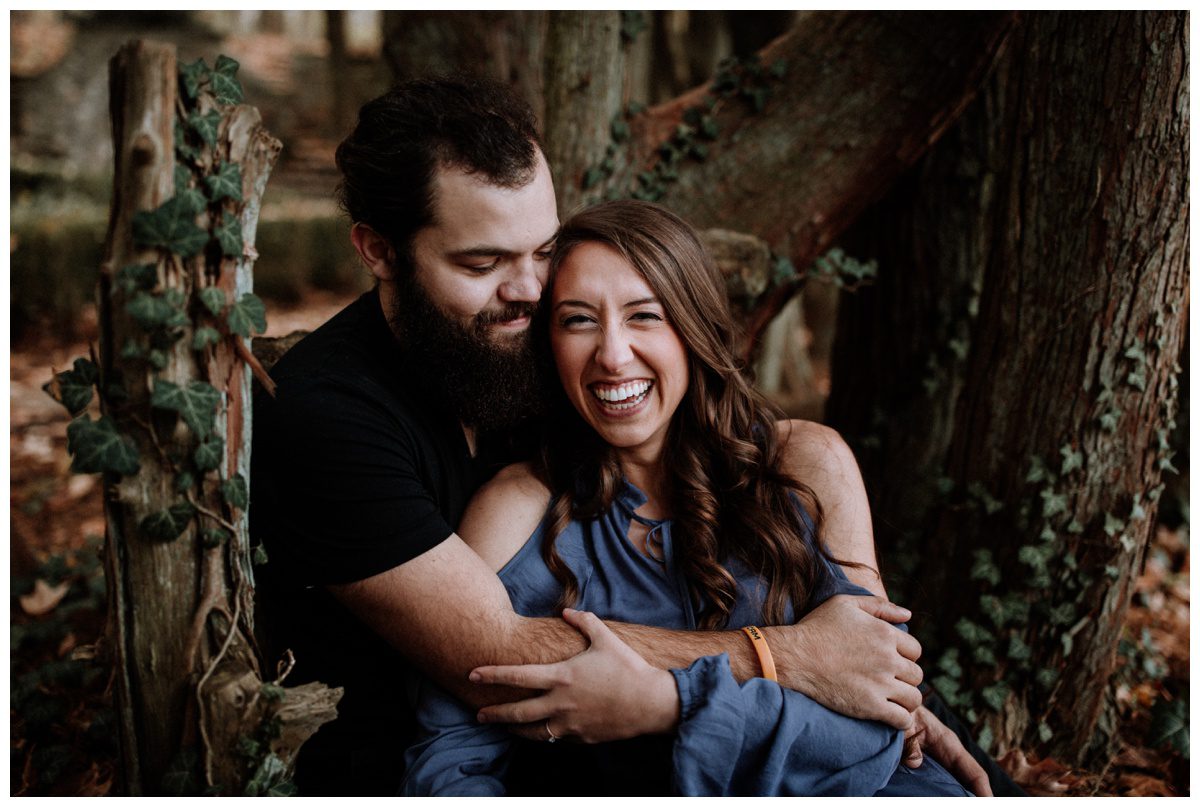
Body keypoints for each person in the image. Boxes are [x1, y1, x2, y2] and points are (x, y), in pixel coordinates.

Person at [250, 76, 989, 796]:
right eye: (482, 262)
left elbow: (850, 643)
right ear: (377, 249)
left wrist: (879, 684)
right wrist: (789, 657)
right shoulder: (330, 416)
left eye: (542, 253)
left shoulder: (528, 347)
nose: (531, 292)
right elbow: (494, 650)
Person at [400, 200, 970, 796]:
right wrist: (775, 685)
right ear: (548, 343)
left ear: (692, 326)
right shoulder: (516, 510)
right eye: (577, 320)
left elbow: (877, 719)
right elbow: (451, 761)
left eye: (645, 316)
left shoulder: (805, 463)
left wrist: (665, 702)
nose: (613, 355)